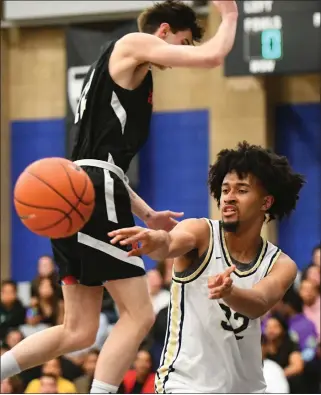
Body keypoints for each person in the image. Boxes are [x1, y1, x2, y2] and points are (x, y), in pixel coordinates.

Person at [0, 1, 239, 393]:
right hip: (93, 191)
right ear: (163, 31)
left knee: (78, 330)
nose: (178, 53)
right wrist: (229, 16)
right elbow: (212, 57)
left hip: (77, 188)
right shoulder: (133, 43)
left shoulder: (123, 72)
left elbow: (104, 163)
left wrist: (146, 213)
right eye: (181, 41)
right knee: (139, 315)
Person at [109, 141, 305, 393]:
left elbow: (258, 302)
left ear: (266, 203)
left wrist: (229, 292)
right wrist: (154, 239)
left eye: (242, 190)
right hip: (185, 384)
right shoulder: (201, 232)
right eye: (225, 190)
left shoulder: (281, 264)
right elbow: (169, 243)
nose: (229, 198)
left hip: (247, 389)